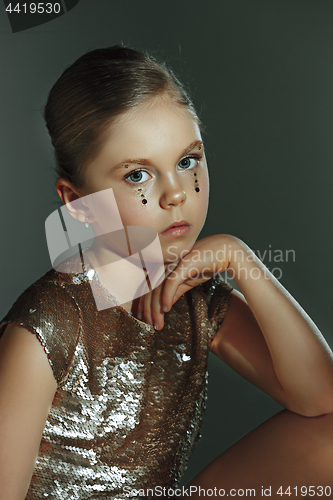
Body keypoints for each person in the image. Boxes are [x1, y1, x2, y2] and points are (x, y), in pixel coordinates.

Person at [1, 45, 333, 500]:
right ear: (78, 204)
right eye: (138, 175)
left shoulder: (194, 296)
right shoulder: (45, 328)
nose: (175, 194)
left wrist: (241, 259)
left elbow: (322, 399)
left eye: (186, 161)